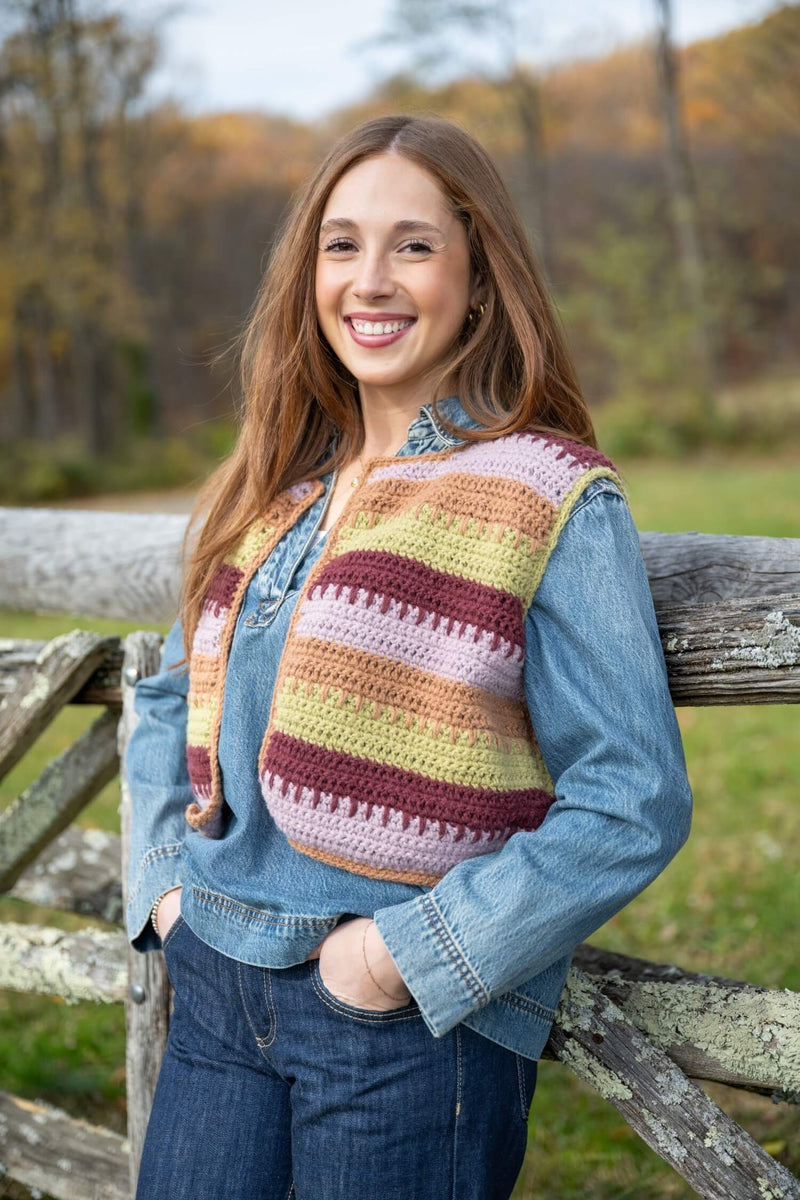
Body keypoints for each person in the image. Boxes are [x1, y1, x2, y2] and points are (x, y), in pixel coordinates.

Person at [126, 114, 693, 1200]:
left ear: (479, 280)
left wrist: (399, 961)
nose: (370, 280)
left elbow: (631, 795)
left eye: (413, 245)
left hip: (395, 1025)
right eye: (340, 246)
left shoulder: (544, 493)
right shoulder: (274, 490)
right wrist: (166, 896)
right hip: (212, 989)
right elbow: (166, 700)